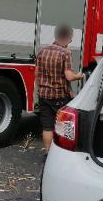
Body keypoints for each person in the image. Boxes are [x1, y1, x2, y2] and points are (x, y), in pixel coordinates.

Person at [36, 24, 85, 152]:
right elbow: (68, 76)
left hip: (43, 95)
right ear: (67, 37)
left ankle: (47, 151)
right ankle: (61, 153)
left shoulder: (42, 51)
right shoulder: (65, 53)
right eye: (70, 39)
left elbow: (36, 74)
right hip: (60, 96)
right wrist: (79, 76)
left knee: (47, 127)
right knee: (63, 126)